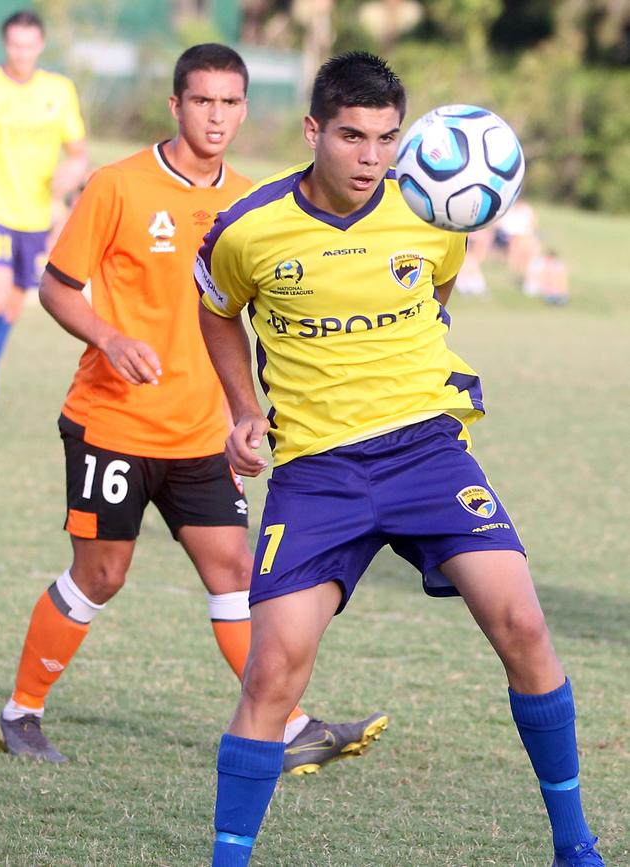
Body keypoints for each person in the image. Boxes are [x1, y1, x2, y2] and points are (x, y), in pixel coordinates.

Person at [196, 51, 605, 867]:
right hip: (317, 470)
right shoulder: (249, 227)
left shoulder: (432, 212)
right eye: (352, 137)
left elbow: (433, 295)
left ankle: (575, 846)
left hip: (427, 453)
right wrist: (245, 409)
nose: (371, 158)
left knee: (523, 623)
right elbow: (216, 310)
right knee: (273, 670)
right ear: (314, 130)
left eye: (386, 138)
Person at [0, 44, 387, 774]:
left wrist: (251, 411)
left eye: (231, 102)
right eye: (202, 100)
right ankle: (21, 713)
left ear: (245, 109)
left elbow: (261, 315)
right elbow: (55, 286)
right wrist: (108, 338)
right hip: (112, 423)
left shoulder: (251, 202)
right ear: (176, 105)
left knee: (235, 570)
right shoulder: (117, 186)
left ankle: (291, 723)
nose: (217, 115)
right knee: (102, 574)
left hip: (201, 432)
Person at [0, 10, 88, 430]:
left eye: (29, 45)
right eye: (14, 45)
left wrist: (73, 171)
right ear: (5, 44)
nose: (21, 53)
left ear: (39, 46)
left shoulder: (58, 91)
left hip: (39, 215)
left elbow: (78, 152)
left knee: (9, 307)